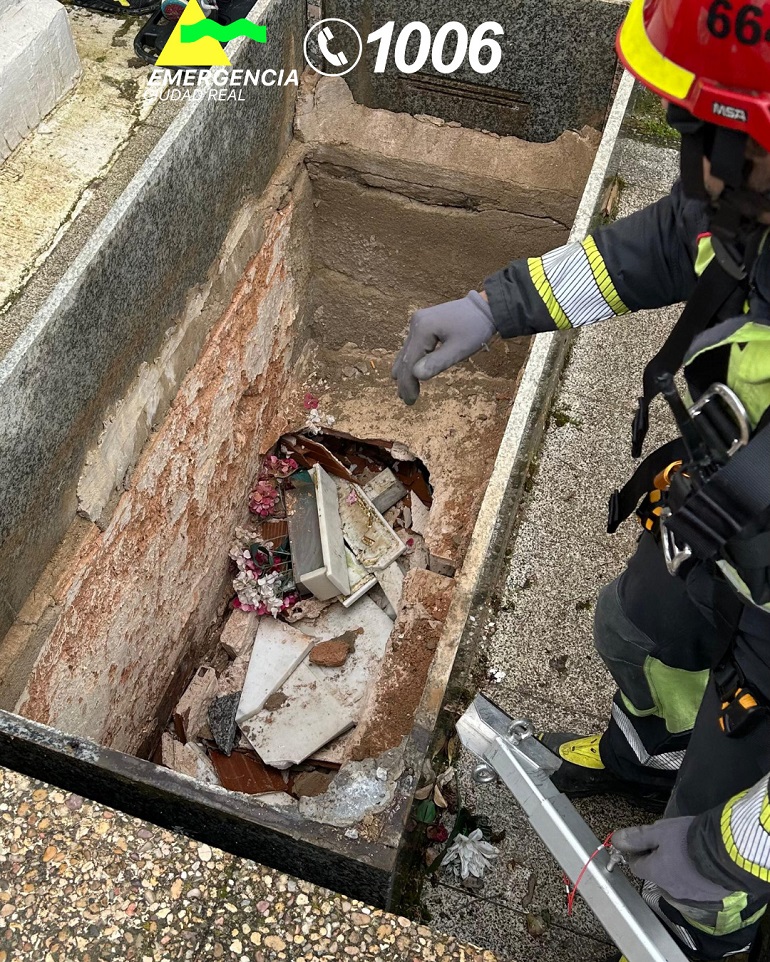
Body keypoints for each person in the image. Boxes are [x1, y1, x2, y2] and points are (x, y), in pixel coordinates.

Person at [393, 0, 770, 958]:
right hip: (730, 535)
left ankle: (702, 928)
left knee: (722, 822)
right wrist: (498, 303)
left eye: (713, 132)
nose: (692, 155)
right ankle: (648, 755)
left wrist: (740, 852)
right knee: (636, 628)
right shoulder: (743, 198)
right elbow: (656, 246)